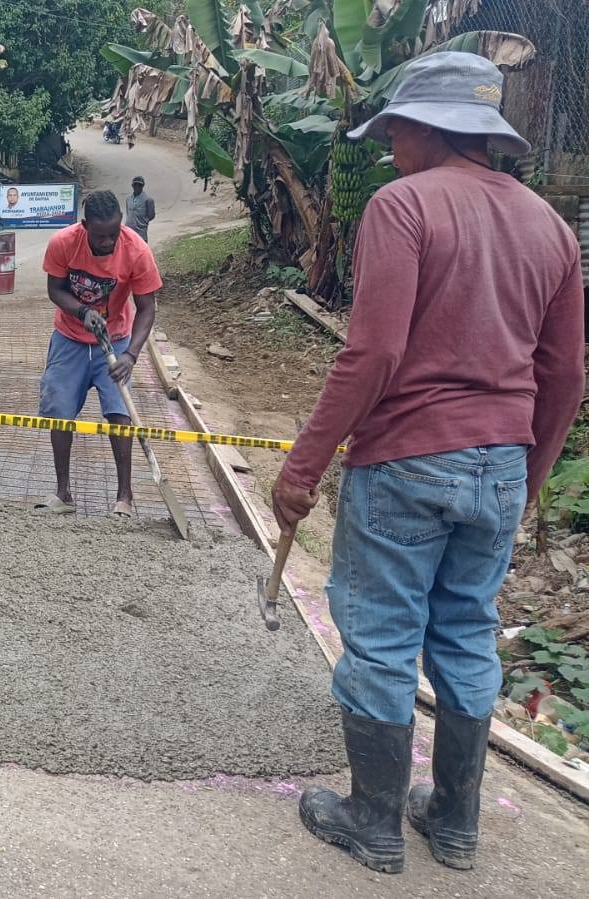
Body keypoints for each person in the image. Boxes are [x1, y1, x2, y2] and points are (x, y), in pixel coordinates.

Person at [272, 53, 585, 874]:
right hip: (499, 465)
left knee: (379, 638)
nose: (388, 148)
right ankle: (452, 821)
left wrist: (302, 466)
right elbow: (565, 374)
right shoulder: (549, 227)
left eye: (393, 131)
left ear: (426, 128)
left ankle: (372, 818)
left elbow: (373, 351)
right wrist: (533, 469)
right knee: (467, 639)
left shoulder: (403, 205)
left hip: (408, 459)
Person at [36, 190, 162, 517]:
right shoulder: (63, 243)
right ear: (84, 226)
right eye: (101, 235)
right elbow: (55, 289)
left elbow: (147, 308)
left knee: (120, 413)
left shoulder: (136, 250)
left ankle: (125, 498)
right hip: (69, 338)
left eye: (114, 233)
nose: (109, 242)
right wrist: (81, 312)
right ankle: (63, 494)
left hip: (117, 339)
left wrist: (131, 355)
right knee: (59, 409)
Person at [126, 176, 156, 242]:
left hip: (141, 231)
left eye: (139, 185)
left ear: (142, 186)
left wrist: (143, 222)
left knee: (141, 250)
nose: (137, 187)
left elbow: (151, 215)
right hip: (129, 230)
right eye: (135, 185)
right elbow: (128, 212)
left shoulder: (148, 199)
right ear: (132, 186)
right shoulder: (128, 199)